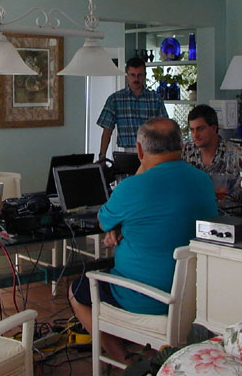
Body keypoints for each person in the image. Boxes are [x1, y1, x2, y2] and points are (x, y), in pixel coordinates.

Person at [69, 117, 218, 365]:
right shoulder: (203, 181)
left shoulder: (132, 187)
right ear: (182, 147)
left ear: (139, 150)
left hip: (144, 299)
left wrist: (116, 225)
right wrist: (122, 226)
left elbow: (103, 220)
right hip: (193, 297)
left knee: (77, 290)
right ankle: (146, 351)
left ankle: (126, 361)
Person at [96, 56, 167, 160]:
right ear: (127, 75)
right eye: (133, 75)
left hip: (150, 151)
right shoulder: (115, 99)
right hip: (125, 153)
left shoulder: (155, 99)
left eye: (139, 75)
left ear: (145, 75)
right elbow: (107, 130)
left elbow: (164, 129)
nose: (136, 79)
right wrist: (102, 156)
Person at [182, 104, 242, 200]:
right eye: (192, 130)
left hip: (230, 208)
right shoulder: (186, 152)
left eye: (200, 129)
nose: (195, 135)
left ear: (214, 128)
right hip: (195, 207)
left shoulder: (236, 154)